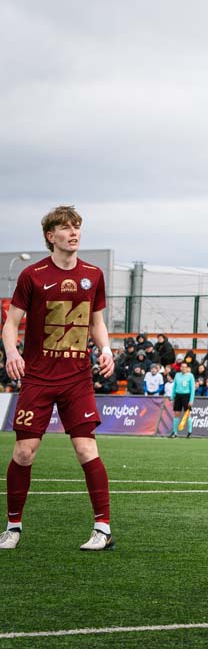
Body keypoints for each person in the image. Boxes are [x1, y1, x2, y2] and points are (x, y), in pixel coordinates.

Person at [0, 205, 116, 551]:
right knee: (25, 452)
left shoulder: (93, 274)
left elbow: (96, 322)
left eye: (76, 226)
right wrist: (13, 353)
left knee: (86, 448)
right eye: (65, 227)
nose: (73, 232)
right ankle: (13, 528)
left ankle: (103, 529)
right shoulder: (32, 275)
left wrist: (106, 349)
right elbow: (11, 323)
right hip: (38, 377)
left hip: (77, 379)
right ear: (51, 236)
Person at [167, 362, 196, 438]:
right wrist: (172, 397)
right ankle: (175, 432)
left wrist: (191, 400)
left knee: (187, 414)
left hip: (186, 396)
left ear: (187, 368)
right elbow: (174, 387)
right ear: (180, 368)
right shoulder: (177, 375)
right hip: (178, 396)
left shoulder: (190, 376)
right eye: (182, 367)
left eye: (185, 367)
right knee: (176, 414)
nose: (183, 368)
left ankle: (189, 432)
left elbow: (192, 389)